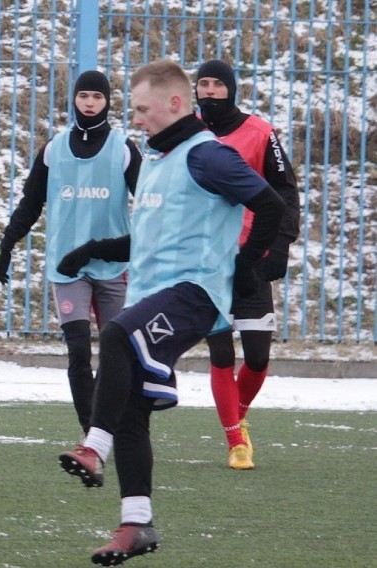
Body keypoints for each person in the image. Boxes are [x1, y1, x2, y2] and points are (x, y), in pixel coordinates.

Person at [55, 60, 284, 565]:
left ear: (175, 104)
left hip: (193, 295)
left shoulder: (207, 156)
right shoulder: (160, 160)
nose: (134, 118)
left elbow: (271, 205)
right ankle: (136, 524)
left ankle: (93, 445)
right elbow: (152, 239)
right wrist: (93, 249)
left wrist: (246, 266)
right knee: (134, 410)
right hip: (154, 298)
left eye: (141, 108)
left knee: (115, 335)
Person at [0, 70, 141, 435]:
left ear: (108, 101)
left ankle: (107, 423)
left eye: (97, 97)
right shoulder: (54, 149)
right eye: (83, 96)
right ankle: (89, 429)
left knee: (114, 352)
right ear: (73, 100)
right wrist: (7, 243)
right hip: (67, 267)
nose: (90, 103)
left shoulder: (123, 149)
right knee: (77, 350)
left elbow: (152, 205)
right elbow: (31, 203)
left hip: (112, 267)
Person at [195, 60, 301, 470]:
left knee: (257, 357)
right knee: (221, 352)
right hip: (206, 260)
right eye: (202, 84)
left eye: (216, 84)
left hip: (251, 256)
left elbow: (285, 192)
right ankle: (235, 441)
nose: (209, 91)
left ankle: (238, 415)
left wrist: (279, 247)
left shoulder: (261, 133)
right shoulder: (189, 134)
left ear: (231, 90)